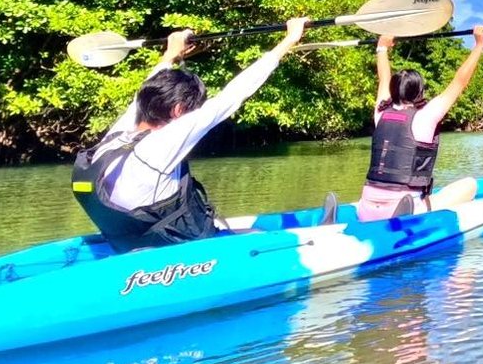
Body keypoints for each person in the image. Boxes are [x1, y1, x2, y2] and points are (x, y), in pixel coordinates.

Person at [72, 17, 310, 251]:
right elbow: (234, 94)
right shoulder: (163, 143)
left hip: (128, 240)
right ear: (178, 111)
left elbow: (141, 94)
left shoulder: (116, 138)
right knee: (257, 237)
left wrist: (171, 54)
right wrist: (288, 41)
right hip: (172, 246)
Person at [355, 25, 483, 221]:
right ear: (420, 91)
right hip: (403, 212)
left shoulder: (381, 111)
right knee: (470, 185)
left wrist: (382, 47)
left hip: (365, 211)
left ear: (394, 90)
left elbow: (383, 78)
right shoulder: (426, 116)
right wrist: (479, 44)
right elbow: (460, 81)